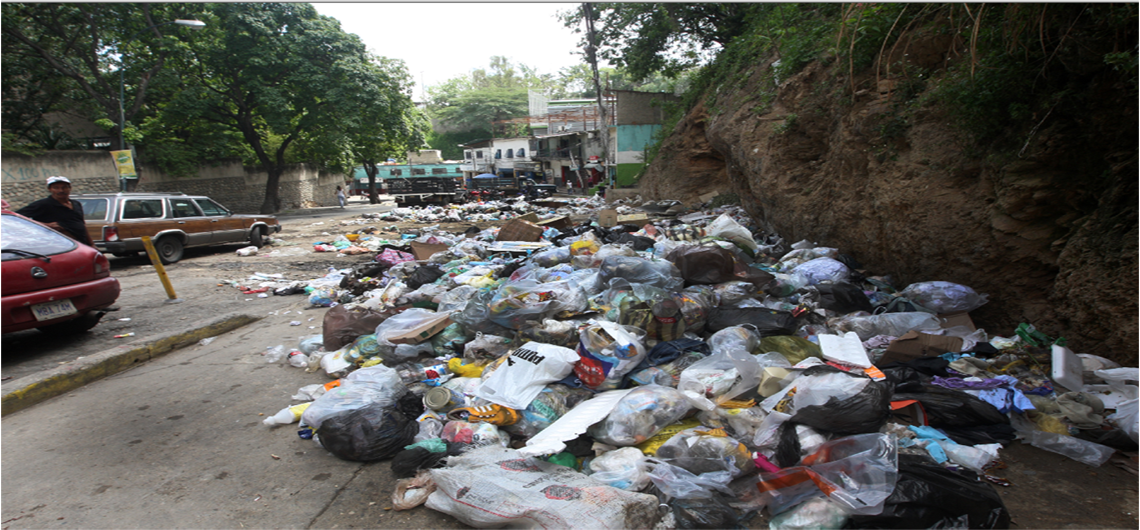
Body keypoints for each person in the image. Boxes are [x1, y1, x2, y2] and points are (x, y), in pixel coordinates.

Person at [17, 176, 93, 246]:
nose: (61, 190)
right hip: (59, 245)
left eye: (64, 187)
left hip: (81, 244)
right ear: (50, 189)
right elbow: (16, 217)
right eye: (56, 188)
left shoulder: (76, 204)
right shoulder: (43, 204)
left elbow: (82, 225)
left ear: (70, 188)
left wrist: (92, 244)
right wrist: (45, 225)